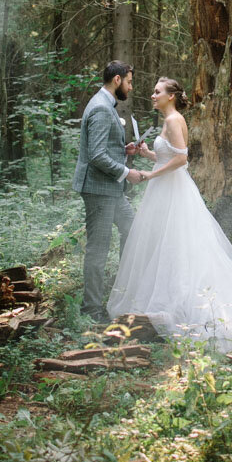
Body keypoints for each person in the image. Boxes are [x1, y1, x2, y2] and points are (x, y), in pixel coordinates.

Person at [107, 76, 232, 351]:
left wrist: (149, 175)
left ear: (170, 96)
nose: (152, 95)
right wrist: (147, 155)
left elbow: (182, 159)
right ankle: (169, 301)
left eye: (157, 92)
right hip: (165, 188)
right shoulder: (171, 120)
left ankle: (188, 307)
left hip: (172, 190)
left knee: (179, 245)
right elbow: (170, 156)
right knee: (166, 245)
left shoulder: (172, 121)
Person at [72, 61, 144, 322]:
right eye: (129, 81)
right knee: (98, 249)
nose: (131, 86)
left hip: (111, 190)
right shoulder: (102, 108)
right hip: (99, 190)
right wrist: (128, 173)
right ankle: (91, 309)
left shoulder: (106, 104)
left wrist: (125, 150)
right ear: (117, 80)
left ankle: (122, 291)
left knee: (132, 230)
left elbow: (104, 148)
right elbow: (96, 156)